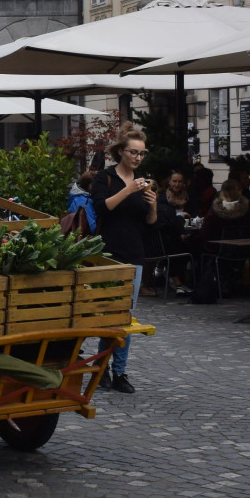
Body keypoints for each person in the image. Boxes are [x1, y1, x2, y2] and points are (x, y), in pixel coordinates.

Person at [90, 122, 156, 395]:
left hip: (134, 253)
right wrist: (128, 190)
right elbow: (101, 208)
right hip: (108, 254)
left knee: (126, 316)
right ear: (120, 152)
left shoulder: (145, 182)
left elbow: (150, 223)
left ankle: (120, 372)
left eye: (141, 154)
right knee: (108, 313)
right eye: (133, 152)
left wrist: (152, 205)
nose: (137, 158)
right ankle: (101, 367)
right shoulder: (105, 178)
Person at [198, 179, 250, 254]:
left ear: (221, 193)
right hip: (246, 252)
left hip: (218, 251)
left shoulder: (214, 213)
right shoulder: (249, 211)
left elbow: (204, 233)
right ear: (240, 192)